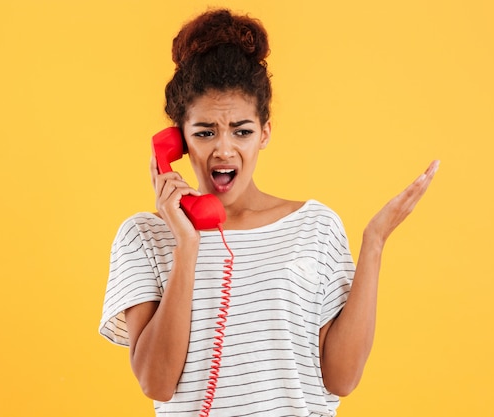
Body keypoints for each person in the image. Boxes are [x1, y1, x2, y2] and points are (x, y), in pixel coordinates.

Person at [99, 8, 439, 417]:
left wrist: (374, 243)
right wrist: (187, 245)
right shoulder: (144, 237)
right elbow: (156, 383)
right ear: (179, 140)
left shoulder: (315, 227)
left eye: (241, 130)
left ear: (265, 134)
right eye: (205, 132)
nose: (224, 149)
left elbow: (342, 379)